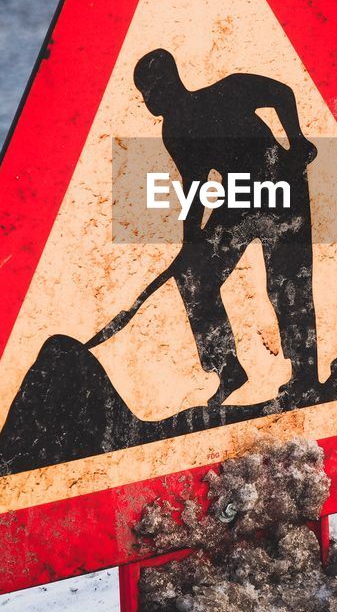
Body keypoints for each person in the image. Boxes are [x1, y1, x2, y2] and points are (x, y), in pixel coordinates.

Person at [131, 48, 320, 405]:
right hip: (239, 197)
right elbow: (195, 187)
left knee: (287, 285)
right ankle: (227, 367)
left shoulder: (227, 91)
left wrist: (296, 141)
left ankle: (305, 379)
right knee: (194, 278)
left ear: (168, 83)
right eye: (143, 94)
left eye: (150, 91)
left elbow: (282, 93)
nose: (147, 101)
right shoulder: (174, 131)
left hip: (280, 185)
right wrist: (190, 246)